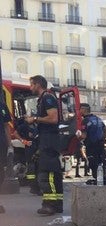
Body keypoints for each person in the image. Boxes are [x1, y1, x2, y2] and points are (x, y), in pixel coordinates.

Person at [24, 75, 63, 215]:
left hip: (49, 140)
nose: (30, 88)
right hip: (46, 139)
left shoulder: (47, 97)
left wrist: (34, 118)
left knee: (48, 173)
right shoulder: (44, 99)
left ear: (38, 84)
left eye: (32, 85)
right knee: (50, 172)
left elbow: (53, 118)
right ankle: (55, 204)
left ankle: (50, 204)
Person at [79, 103, 106, 181]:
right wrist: (101, 139)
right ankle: (102, 179)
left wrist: (77, 136)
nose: (78, 111)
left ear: (84, 110)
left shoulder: (85, 120)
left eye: (80, 109)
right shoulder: (98, 119)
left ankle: (97, 182)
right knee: (100, 164)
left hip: (91, 145)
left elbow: (83, 135)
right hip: (100, 145)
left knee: (93, 165)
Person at [0, 101, 12, 213]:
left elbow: (6, 126)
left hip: (1, 144)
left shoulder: (2, 105)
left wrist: (10, 145)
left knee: (1, 174)